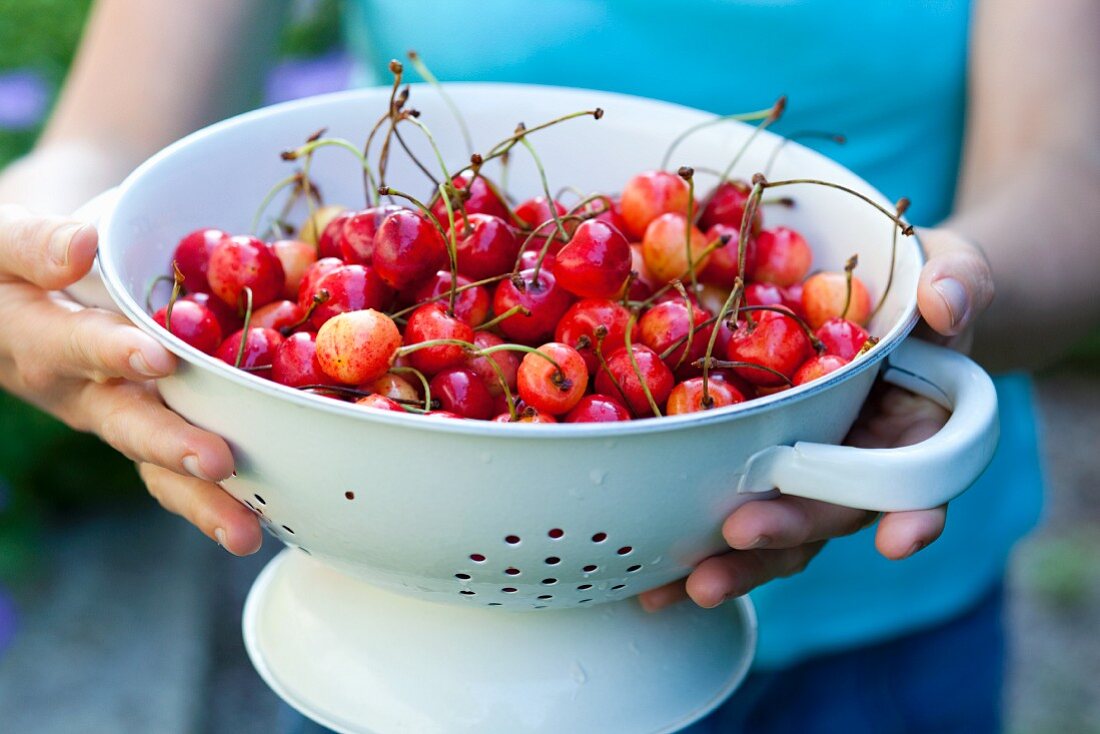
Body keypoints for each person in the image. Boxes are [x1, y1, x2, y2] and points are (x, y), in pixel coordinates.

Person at [0, 0, 1095, 731]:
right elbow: (115, 133)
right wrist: (37, 250)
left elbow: (1072, 172)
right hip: (397, 611)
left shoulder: (690, 302)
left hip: (874, 588)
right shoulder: (383, 319)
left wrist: (939, 300)